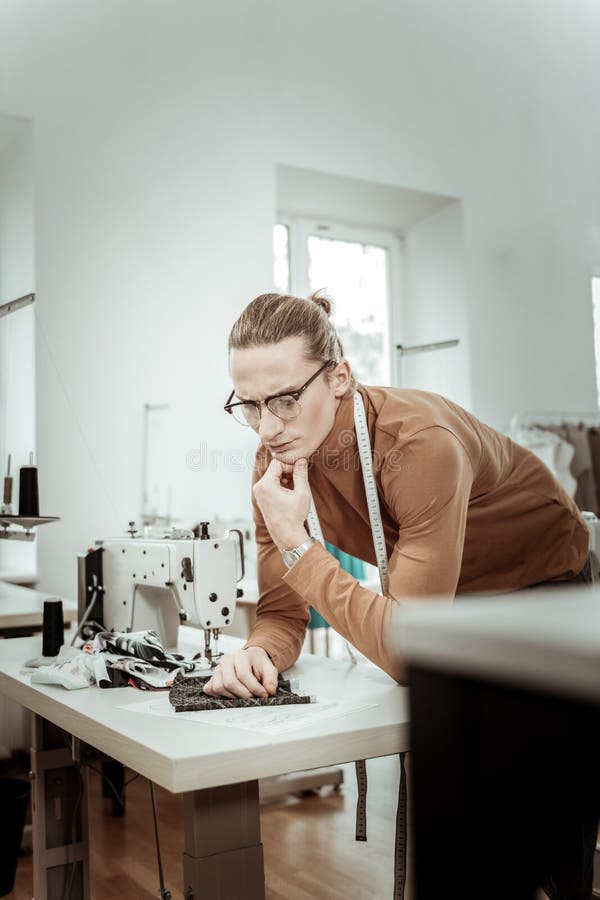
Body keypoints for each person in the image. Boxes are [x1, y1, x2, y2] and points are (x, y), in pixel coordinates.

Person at [203, 291, 590, 702]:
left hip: (546, 592)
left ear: (339, 378)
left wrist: (296, 544)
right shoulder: (275, 466)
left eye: (285, 401)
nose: (266, 430)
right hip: (452, 603)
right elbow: (281, 614)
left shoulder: (419, 445)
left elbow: (410, 655)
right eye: (250, 406)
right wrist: (257, 652)